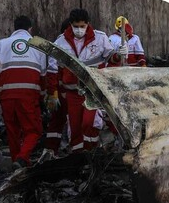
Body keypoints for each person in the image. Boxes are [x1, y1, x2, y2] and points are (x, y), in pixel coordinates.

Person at [51, 9, 120, 152]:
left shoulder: (100, 38)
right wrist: (54, 92)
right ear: (70, 24)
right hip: (72, 92)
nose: (79, 30)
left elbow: (111, 59)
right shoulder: (61, 41)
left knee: (89, 123)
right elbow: (53, 68)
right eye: (76, 26)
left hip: (92, 91)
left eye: (82, 26)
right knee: (75, 128)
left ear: (88, 24)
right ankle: (78, 157)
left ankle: (91, 152)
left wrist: (119, 55)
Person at [0, 16, 46, 169]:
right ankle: (22, 158)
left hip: (5, 93)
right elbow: (43, 75)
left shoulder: (1, 44)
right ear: (30, 29)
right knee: (34, 130)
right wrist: (42, 96)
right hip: (28, 92)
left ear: (14, 29)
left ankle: (17, 162)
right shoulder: (39, 44)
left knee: (12, 130)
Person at [41, 20, 70, 161]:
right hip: (63, 90)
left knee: (57, 121)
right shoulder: (61, 45)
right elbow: (52, 71)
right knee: (58, 120)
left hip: (62, 90)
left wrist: (52, 92)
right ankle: (51, 150)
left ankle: (51, 149)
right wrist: (52, 93)